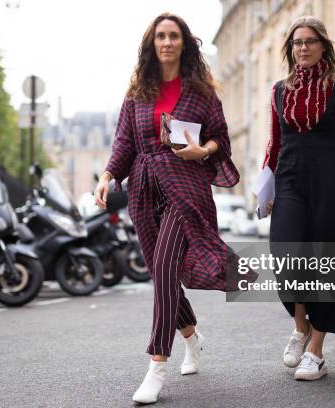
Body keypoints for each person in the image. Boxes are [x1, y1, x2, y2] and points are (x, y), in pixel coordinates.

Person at [93, 13, 244, 404]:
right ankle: (193, 338)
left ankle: (156, 366)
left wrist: (203, 150)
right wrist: (108, 175)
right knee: (164, 272)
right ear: (152, 43)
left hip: (185, 184)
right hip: (144, 188)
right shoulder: (137, 93)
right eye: (160, 36)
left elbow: (220, 138)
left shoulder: (201, 92)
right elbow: (124, 143)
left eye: (173, 35)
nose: (166, 42)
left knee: (162, 267)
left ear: (184, 43)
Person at [262, 16, 335, 381]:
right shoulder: (279, 90)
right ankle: (300, 327)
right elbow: (274, 142)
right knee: (287, 253)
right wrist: (266, 187)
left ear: (323, 46)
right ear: (290, 49)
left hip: (330, 180)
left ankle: (316, 349)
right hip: (290, 179)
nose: (303, 47)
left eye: (310, 41)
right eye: (297, 42)